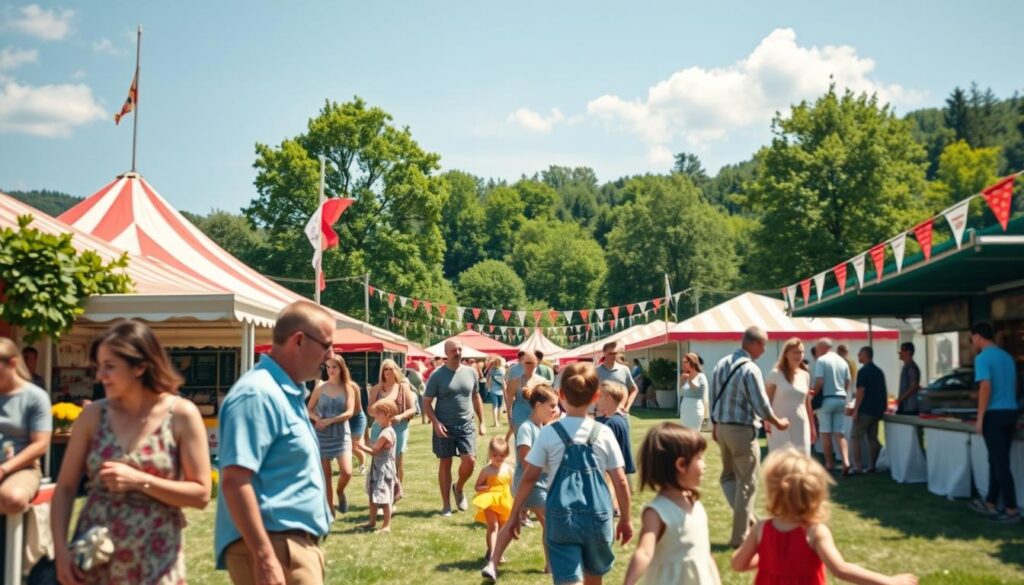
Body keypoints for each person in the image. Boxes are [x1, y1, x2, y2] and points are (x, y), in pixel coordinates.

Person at [51, 322, 210, 584]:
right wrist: (60, 551)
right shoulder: (93, 415)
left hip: (156, 559)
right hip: (96, 558)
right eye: (99, 366)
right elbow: (66, 488)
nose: (100, 376)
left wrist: (140, 481)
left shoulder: (181, 414)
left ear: (140, 367)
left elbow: (202, 494)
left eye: (109, 366)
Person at [215, 301, 334, 584]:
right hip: (276, 546)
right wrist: (264, 557)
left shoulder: (284, 392)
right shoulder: (257, 394)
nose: (331, 355)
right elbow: (235, 480)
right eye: (327, 345)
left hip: (289, 546)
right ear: (299, 340)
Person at [504, 362, 633, 585]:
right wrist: (626, 520)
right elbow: (620, 481)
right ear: (595, 396)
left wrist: (514, 514)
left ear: (561, 394)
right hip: (598, 516)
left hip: (561, 517)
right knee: (594, 578)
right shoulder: (604, 433)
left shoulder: (548, 433)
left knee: (567, 579)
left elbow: (529, 478)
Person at [732, 449, 918, 585]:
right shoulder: (815, 532)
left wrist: (769, 559)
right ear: (816, 494)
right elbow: (841, 569)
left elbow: (738, 564)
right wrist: (888, 581)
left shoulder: (761, 528)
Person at [710, 325, 790, 549]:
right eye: (763, 344)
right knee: (747, 484)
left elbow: (713, 395)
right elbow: (762, 404)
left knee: (727, 477)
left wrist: (714, 423)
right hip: (743, 431)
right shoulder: (751, 369)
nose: (764, 350)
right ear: (753, 343)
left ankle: (747, 519)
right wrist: (778, 422)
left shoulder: (721, 363)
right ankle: (740, 538)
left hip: (723, 428)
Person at [623, 422, 720, 585]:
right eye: (699, 458)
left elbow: (704, 551)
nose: (704, 465)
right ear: (681, 464)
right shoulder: (657, 512)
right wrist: (629, 582)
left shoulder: (694, 503)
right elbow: (645, 552)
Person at [482, 383, 560, 581]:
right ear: (538, 405)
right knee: (549, 523)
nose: (555, 410)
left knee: (514, 524)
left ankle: (493, 563)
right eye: (552, 406)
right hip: (531, 484)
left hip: (535, 483)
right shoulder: (527, 428)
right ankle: (550, 566)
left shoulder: (541, 426)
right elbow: (526, 462)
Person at [423, 339, 486, 517]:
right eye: (452, 350)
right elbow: (426, 402)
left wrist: (481, 421)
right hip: (444, 425)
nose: (457, 353)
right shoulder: (437, 375)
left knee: (470, 460)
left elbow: (476, 397)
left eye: (459, 349)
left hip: (466, 423)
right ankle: (446, 505)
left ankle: (458, 488)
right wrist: (435, 422)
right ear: (446, 352)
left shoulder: (471, 372)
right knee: (445, 462)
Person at [967, 322, 1021, 523]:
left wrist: (980, 417)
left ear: (978, 336)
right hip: (1010, 411)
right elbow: (1015, 385)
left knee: (1000, 463)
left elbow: (985, 388)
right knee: (996, 460)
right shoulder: (1007, 357)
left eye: (972, 338)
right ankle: (990, 502)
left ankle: (1011, 509)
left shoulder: (982, 358)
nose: (972, 342)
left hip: (995, 415)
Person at [0, 339, 51, 517]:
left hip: (23, 467)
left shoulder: (35, 396)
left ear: (12, 364)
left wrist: (4, 469)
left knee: (12, 497)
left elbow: (41, 445)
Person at [307, 356, 356, 514]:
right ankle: (330, 511)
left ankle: (340, 492)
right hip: (322, 435)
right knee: (326, 475)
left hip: (341, 434)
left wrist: (331, 420)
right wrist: (318, 419)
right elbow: (308, 409)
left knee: (347, 472)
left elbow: (349, 412)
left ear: (341, 368)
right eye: (328, 367)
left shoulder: (348, 387)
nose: (330, 370)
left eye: (334, 367)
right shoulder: (320, 387)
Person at [368, 359, 417, 483]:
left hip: (399, 426)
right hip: (379, 427)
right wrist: (378, 412)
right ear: (382, 372)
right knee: (378, 457)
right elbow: (369, 410)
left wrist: (400, 417)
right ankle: (378, 487)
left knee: (397, 459)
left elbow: (413, 409)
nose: (388, 372)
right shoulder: (376, 389)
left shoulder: (403, 387)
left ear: (396, 370)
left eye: (391, 368)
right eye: (385, 369)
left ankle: (396, 491)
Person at [358, 397, 402, 532]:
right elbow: (374, 444)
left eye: (378, 414)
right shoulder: (385, 430)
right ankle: (371, 522)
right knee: (373, 495)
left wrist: (360, 446)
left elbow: (374, 451)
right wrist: (365, 440)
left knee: (384, 497)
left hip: (383, 470)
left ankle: (386, 525)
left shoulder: (386, 433)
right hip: (377, 468)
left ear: (387, 414)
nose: (375, 417)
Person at [765, 338, 814, 455]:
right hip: (780, 425)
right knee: (781, 461)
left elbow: (807, 403)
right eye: (795, 352)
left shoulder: (805, 375)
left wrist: (812, 427)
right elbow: (766, 401)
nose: (799, 355)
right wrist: (767, 422)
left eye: (801, 352)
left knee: (801, 460)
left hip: (801, 424)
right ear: (786, 354)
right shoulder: (775, 374)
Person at [811, 338, 852, 474]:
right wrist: (843, 394)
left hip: (826, 400)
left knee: (825, 433)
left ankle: (829, 464)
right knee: (840, 434)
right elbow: (847, 382)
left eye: (817, 349)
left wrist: (812, 393)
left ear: (822, 348)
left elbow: (820, 381)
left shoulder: (821, 361)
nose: (816, 352)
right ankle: (846, 461)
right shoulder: (843, 361)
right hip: (841, 399)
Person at [473, 437, 514, 563]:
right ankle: (493, 555)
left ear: (506, 455)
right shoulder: (487, 470)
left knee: (502, 528)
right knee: (493, 526)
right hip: (490, 500)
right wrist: (484, 487)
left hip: (504, 501)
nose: (498, 458)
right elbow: (477, 486)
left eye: (502, 455)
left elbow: (513, 486)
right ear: (490, 454)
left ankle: (495, 550)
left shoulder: (508, 469)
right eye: (495, 455)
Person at [849, 347, 886, 473]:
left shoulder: (863, 371)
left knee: (854, 436)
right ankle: (872, 466)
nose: (858, 356)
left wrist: (856, 410)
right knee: (872, 438)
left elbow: (861, 391)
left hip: (865, 410)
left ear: (865, 355)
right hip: (876, 410)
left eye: (859, 354)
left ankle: (858, 466)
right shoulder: (879, 371)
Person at [504, 351, 547, 440]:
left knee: (536, 445)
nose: (530, 365)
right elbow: (509, 402)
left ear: (536, 364)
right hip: (519, 415)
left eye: (533, 362)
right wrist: (509, 419)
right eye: (527, 362)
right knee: (521, 444)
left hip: (537, 416)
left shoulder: (542, 381)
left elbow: (546, 401)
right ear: (523, 363)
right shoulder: (514, 382)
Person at [597, 341, 639, 415]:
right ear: (604, 353)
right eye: (610, 353)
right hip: (601, 415)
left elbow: (634, 390)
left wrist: (627, 407)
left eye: (615, 353)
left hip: (621, 414)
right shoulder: (595, 370)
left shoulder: (624, 369)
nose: (613, 356)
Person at [678, 352, 709, 431]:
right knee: (685, 434)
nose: (683, 364)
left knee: (694, 433)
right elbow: (680, 393)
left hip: (696, 409)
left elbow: (699, 392)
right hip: (685, 409)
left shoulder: (701, 376)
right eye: (683, 362)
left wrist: (689, 380)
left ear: (692, 362)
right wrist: (681, 381)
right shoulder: (684, 376)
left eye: (685, 362)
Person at [348, 379, 369, 476]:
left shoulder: (353, 386)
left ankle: (362, 465)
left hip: (357, 418)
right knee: (346, 446)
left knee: (355, 446)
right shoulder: (332, 387)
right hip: (344, 418)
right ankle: (350, 464)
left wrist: (343, 415)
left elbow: (357, 409)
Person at [895, 342, 921, 415]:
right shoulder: (906, 367)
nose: (899, 352)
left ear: (908, 352)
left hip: (910, 408)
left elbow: (914, 386)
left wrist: (901, 399)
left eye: (902, 350)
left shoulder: (911, 368)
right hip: (905, 407)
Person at [485, 356, 508, 428]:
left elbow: (489, 380)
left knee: (494, 406)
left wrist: (488, 387)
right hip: (501, 391)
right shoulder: (503, 370)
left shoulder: (491, 370)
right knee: (499, 406)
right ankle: (498, 420)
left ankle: (495, 422)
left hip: (493, 390)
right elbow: (504, 381)